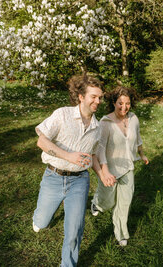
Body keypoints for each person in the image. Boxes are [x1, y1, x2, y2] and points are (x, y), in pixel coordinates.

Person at [32, 74, 104, 267]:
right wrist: (68, 156)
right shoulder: (62, 114)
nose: (98, 101)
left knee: (75, 229)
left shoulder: (98, 128)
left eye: (100, 97)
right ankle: (39, 217)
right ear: (81, 96)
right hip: (53, 177)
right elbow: (41, 141)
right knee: (42, 221)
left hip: (79, 181)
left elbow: (94, 156)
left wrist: (103, 175)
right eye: (93, 97)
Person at [91, 86, 149, 247]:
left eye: (127, 103)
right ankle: (97, 202)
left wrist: (142, 154)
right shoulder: (106, 123)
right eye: (120, 103)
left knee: (124, 203)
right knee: (108, 202)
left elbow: (137, 139)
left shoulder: (134, 119)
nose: (124, 107)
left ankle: (121, 234)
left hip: (128, 168)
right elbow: (99, 150)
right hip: (109, 169)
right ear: (113, 103)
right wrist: (105, 171)